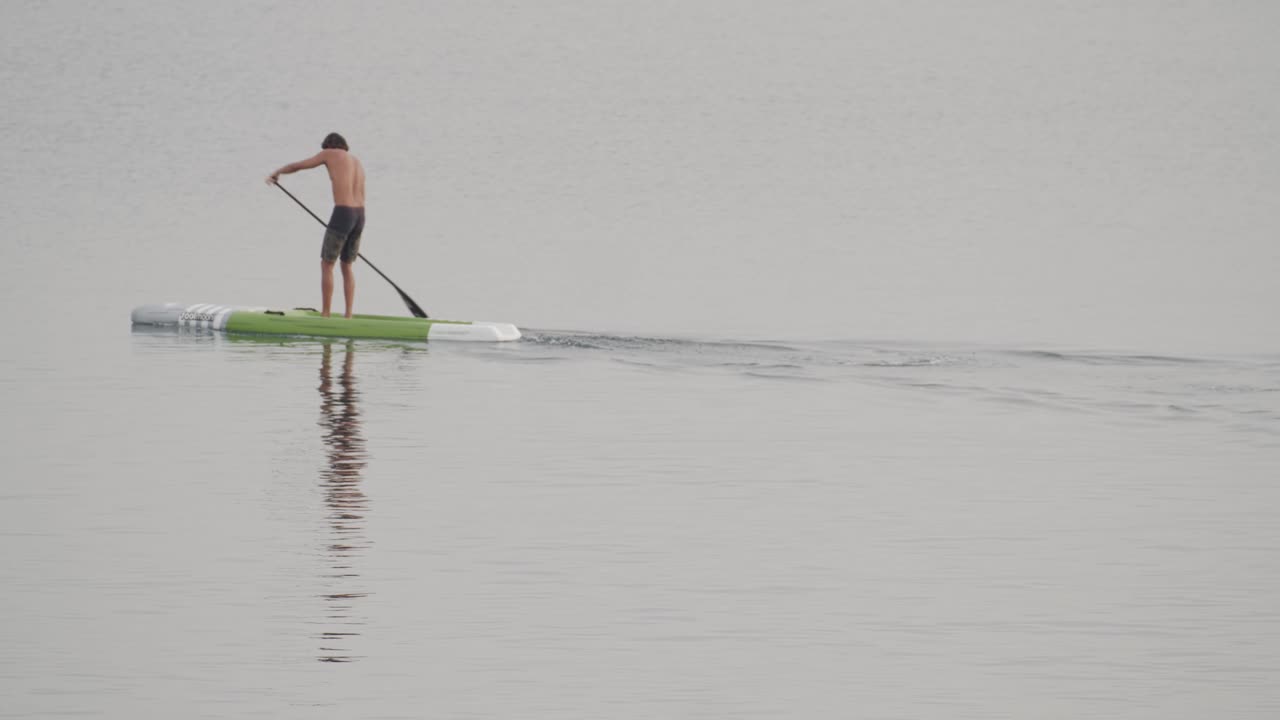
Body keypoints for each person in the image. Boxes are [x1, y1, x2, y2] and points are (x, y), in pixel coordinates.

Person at [266, 132, 366, 318]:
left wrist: (277, 172)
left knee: (327, 264)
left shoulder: (329, 153)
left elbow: (299, 166)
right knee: (347, 265)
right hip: (360, 215)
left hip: (343, 213)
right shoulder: (356, 161)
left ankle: (326, 315)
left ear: (328, 146)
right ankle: (348, 315)